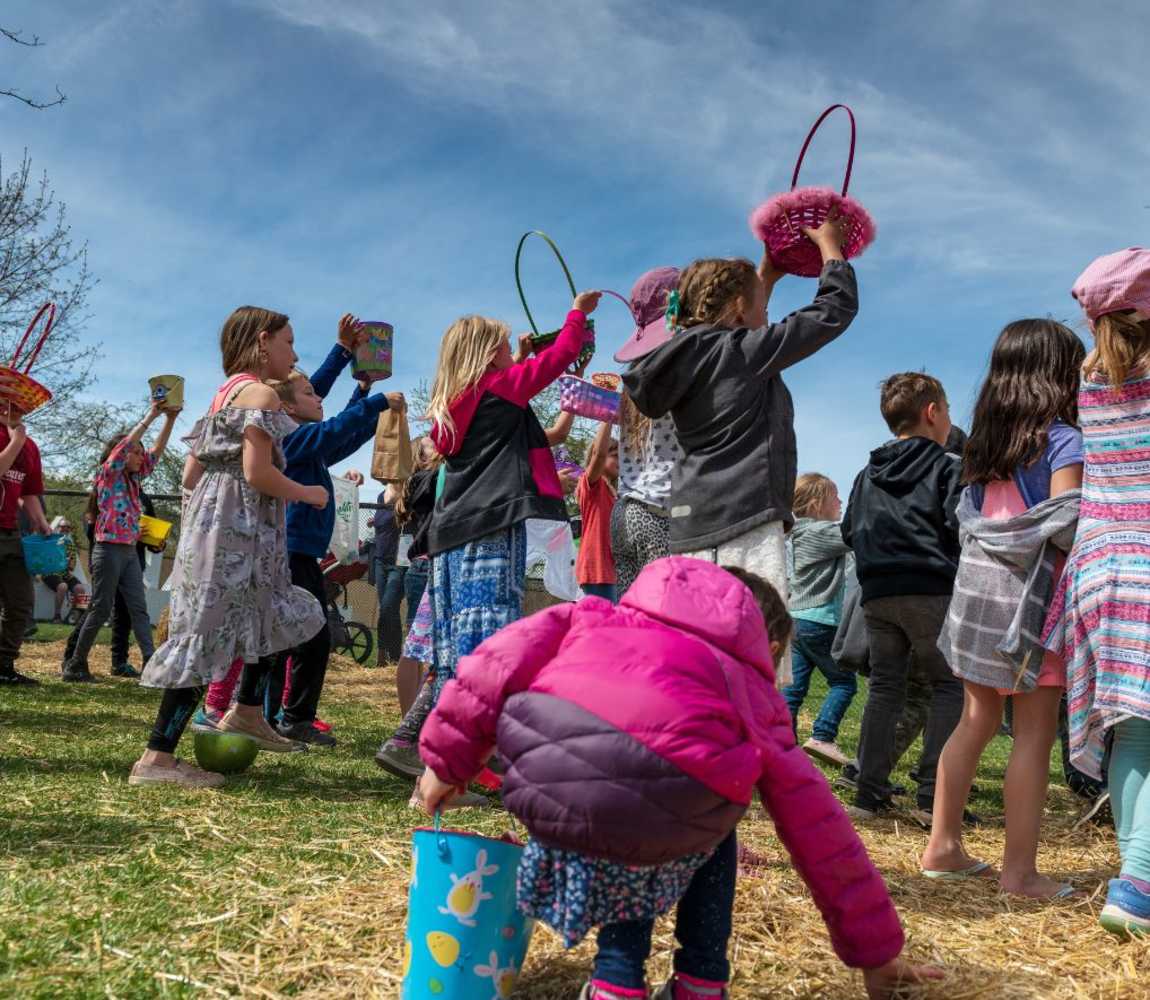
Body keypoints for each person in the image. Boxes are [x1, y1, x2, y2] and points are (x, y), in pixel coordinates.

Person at [417, 559, 942, 1000]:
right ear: (773, 645)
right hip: (658, 808)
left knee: (641, 813)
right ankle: (697, 980)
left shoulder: (593, 615)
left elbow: (496, 663)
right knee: (684, 814)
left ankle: (617, 985)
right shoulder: (751, 689)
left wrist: (447, 762)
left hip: (547, 783)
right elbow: (819, 829)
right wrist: (877, 954)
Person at [623, 217, 855, 686]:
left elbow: (733, 327)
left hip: (692, 527)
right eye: (759, 305)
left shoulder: (684, 358)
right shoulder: (741, 354)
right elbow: (833, 312)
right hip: (746, 522)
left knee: (697, 657)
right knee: (752, 657)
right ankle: (748, 749)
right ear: (736, 307)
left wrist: (764, 277)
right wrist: (832, 251)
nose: (767, 315)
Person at [130, 306, 328, 787]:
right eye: (288, 341)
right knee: (212, 629)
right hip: (240, 526)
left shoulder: (223, 395)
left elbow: (191, 475)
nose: (295, 353)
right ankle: (156, 759)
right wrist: (308, 493)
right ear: (263, 341)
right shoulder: (259, 393)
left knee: (260, 612)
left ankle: (245, 712)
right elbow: (259, 473)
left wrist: (208, 517)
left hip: (225, 521)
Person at [925, 319, 1085, 898]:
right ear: (1057, 374)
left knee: (976, 719)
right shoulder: (1064, 438)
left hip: (976, 594)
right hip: (1031, 602)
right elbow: (1066, 521)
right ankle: (1020, 873)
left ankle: (942, 845)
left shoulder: (983, 443)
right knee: (1034, 733)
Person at [1044, 249, 1150, 935]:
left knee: (1130, 733)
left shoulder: (1092, 389)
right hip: (1144, 561)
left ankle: (1135, 880)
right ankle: (1139, 879)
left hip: (1098, 570)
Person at [424, 293, 599, 704]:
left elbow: (500, 402)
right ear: (487, 355)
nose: (512, 349)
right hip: (491, 525)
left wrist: (517, 360)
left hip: (448, 531)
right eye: (504, 345)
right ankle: (481, 725)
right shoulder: (501, 389)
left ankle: (439, 726)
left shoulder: (452, 406)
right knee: (492, 625)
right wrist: (577, 312)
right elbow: (562, 355)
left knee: (454, 633)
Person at [265, 317, 404, 745]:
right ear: (288, 407)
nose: (318, 397)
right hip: (291, 552)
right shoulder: (291, 440)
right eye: (310, 393)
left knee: (301, 634)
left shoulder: (307, 441)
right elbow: (332, 428)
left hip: (301, 552)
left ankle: (278, 715)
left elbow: (341, 436)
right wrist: (377, 401)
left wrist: (362, 392)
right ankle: (290, 716)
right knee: (309, 634)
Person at [841, 372, 964, 822]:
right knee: (948, 685)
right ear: (933, 413)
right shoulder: (948, 466)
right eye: (947, 410)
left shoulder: (865, 473)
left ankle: (868, 795)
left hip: (876, 592)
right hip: (930, 587)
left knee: (885, 688)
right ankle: (934, 796)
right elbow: (960, 526)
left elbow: (848, 530)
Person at [62, 403, 178, 682]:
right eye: (135, 453)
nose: (141, 457)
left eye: (140, 453)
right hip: (108, 550)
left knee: (139, 608)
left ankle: (151, 665)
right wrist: (152, 415)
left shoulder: (134, 480)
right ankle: (76, 664)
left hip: (128, 552)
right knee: (100, 608)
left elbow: (156, 453)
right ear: (122, 455)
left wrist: (170, 419)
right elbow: (126, 445)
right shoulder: (109, 475)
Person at [611, 266, 683, 597]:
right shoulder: (677, 368)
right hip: (660, 510)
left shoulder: (632, 381)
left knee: (632, 613)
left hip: (625, 510)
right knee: (664, 613)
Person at [782, 472, 856, 767]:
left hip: (795, 620)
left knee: (793, 688)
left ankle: (782, 745)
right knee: (843, 683)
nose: (841, 501)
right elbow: (852, 534)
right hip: (819, 620)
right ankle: (823, 736)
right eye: (835, 497)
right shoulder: (819, 533)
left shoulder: (797, 534)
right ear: (815, 505)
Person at [0, 402, 50, 686]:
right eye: (9, 403)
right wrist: (15, 440)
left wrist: (40, 520)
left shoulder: (31, 447)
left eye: (21, 405)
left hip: (12, 533)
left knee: (20, 603)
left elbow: (30, 491)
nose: (15, 409)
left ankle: (4, 665)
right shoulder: (20, 441)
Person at [576, 421, 619, 601]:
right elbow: (599, 454)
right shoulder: (593, 486)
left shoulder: (617, 495)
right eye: (615, 455)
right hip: (596, 572)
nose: (620, 460)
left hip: (612, 573)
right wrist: (607, 415)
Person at [372, 482, 405, 665]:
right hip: (380, 560)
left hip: (398, 563)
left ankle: (382, 654)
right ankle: (394, 657)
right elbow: (382, 522)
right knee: (389, 611)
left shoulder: (404, 494)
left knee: (387, 607)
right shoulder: (380, 496)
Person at [42, 516, 86, 625]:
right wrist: (60, 560)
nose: (65, 529)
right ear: (58, 528)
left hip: (64, 573)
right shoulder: (50, 541)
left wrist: (68, 562)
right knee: (62, 586)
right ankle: (56, 616)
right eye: (62, 527)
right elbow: (46, 560)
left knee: (80, 588)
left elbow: (71, 567)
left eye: (68, 527)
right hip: (50, 572)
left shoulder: (70, 544)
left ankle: (76, 616)